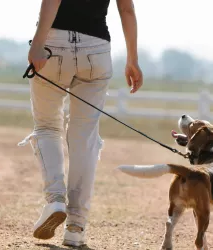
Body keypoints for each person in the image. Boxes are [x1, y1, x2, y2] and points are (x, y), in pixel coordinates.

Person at [19, 0, 143, 247]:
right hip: (96, 50)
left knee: (47, 127)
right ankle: (76, 225)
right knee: (84, 138)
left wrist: (38, 43)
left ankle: (55, 200)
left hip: (54, 44)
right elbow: (126, 9)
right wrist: (132, 59)